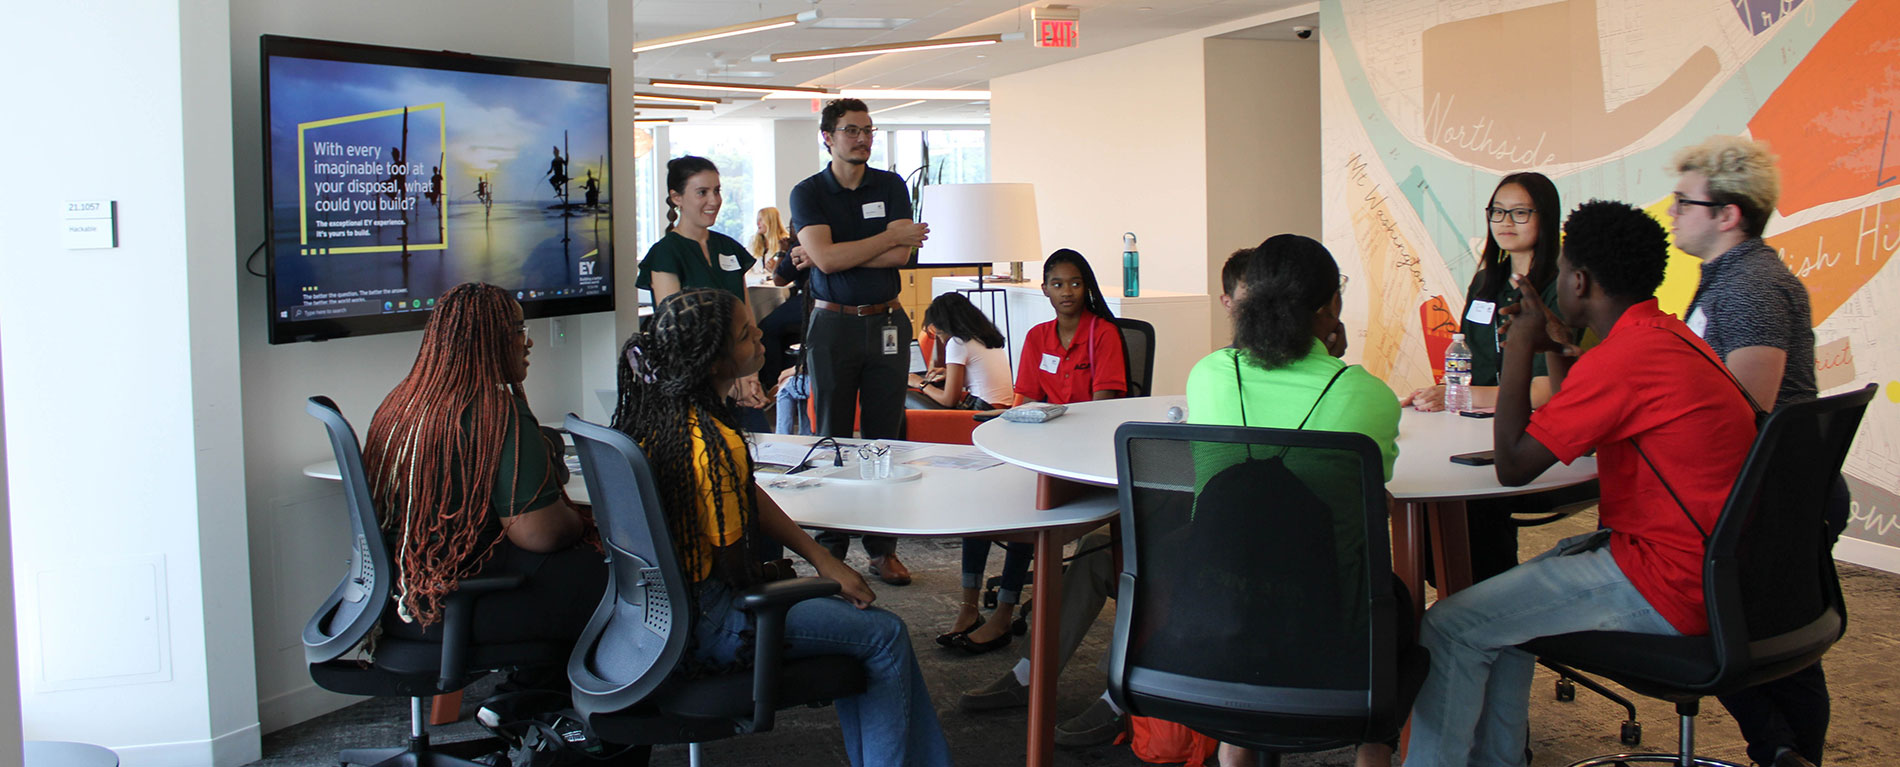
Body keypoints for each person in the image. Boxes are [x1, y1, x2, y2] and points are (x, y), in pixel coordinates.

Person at [1402, 200, 1758, 767]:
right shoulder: (1664, 337)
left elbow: (1514, 464)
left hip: (1664, 580)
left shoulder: (1624, 359)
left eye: (1563, 268)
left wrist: (1520, 347)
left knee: (1450, 625)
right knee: (1506, 625)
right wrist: (1556, 348)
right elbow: (1584, 429)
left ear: (1580, 281)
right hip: (1712, 568)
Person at [609, 289, 952, 767]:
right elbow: (736, 571)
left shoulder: (659, 417)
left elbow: (744, 491)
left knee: (856, 629)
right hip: (713, 621)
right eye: (747, 333)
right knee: (885, 635)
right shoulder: (717, 444)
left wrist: (822, 558)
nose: (760, 336)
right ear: (714, 360)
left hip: (658, 617)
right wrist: (796, 581)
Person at [1188, 235, 1401, 767]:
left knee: (1250, 543)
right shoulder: (1365, 393)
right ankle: (1371, 753)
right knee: (1397, 599)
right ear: (1330, 306)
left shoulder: (1209, 373)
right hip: (1326, 629)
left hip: (1216, 615)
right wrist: (1332, 358)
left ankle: (1236, 752)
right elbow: (1367, 500)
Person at [1670, 135, 1832, 767]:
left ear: (1727, 215)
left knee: (1737, 634)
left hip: (1768, 505)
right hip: (1767, 498)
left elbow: (1742, 408)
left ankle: (1784, 749)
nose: (1674, 214)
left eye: (1684, 203)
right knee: (1768, 647)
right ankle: (1784, 749)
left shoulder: (1751, 287)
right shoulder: (1729, 278)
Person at [364, 282, 604, 649]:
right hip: (463, 596)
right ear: (488, 340)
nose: (528, 342)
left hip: (406, 593)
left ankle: (525, 691)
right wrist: (588, 520)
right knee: (621, 569)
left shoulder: (402, 403)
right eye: (519, 330)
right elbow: (540, 534)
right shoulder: (494, 412)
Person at [1402, 172, 1573, 582]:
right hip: (1475, 427)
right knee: (1432, 500)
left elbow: (1547, 389)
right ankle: (1453, 584)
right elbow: (1468, 360)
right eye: (1497, 212)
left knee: (1472, 509)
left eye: (1519, 212)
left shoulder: (1561, 286)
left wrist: (1463, 396)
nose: (1505, 222)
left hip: (1536, 436)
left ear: (1545, 218)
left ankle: (1481, 590)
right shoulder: (1486, 281)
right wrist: (1444, 393)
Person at [789, 98, 929, 585]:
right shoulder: (809, 193)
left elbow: (904, 256)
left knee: (885, 436)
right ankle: (830, 550)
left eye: (868, 130)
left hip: (888, 323)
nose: (862, 138)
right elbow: (825, 262)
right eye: (851, 130)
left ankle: (881, 547)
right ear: (828, 137)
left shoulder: (890, 185)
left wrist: (840, 252)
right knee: (831, 436)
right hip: (833, 325)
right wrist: (878, 239)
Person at [1013, 249, 1128, 406]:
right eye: (1057, 285)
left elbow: (1102, 405)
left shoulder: (1104, 333)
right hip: (1049, 426)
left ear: (1086, 287)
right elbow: (1029, 399)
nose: (1067, 292)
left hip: (1093, 425)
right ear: (1045, 289)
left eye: (1075, 284)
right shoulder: (1037, 336)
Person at [636, 156, 755, 305]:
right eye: (702, 192)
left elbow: (747, 317)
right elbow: (671, 323)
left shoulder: (729, 247)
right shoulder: (665, 253)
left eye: (717, 191)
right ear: (676, 198)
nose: (714, 200)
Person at [907, 292, 1012, 411]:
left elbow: (949, 400)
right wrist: (950, 373)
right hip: (999, 409)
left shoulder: (958, 343)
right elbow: (981, 376)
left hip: (981, 413)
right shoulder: (986, 338)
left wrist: (920, 383)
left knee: (908, 396)